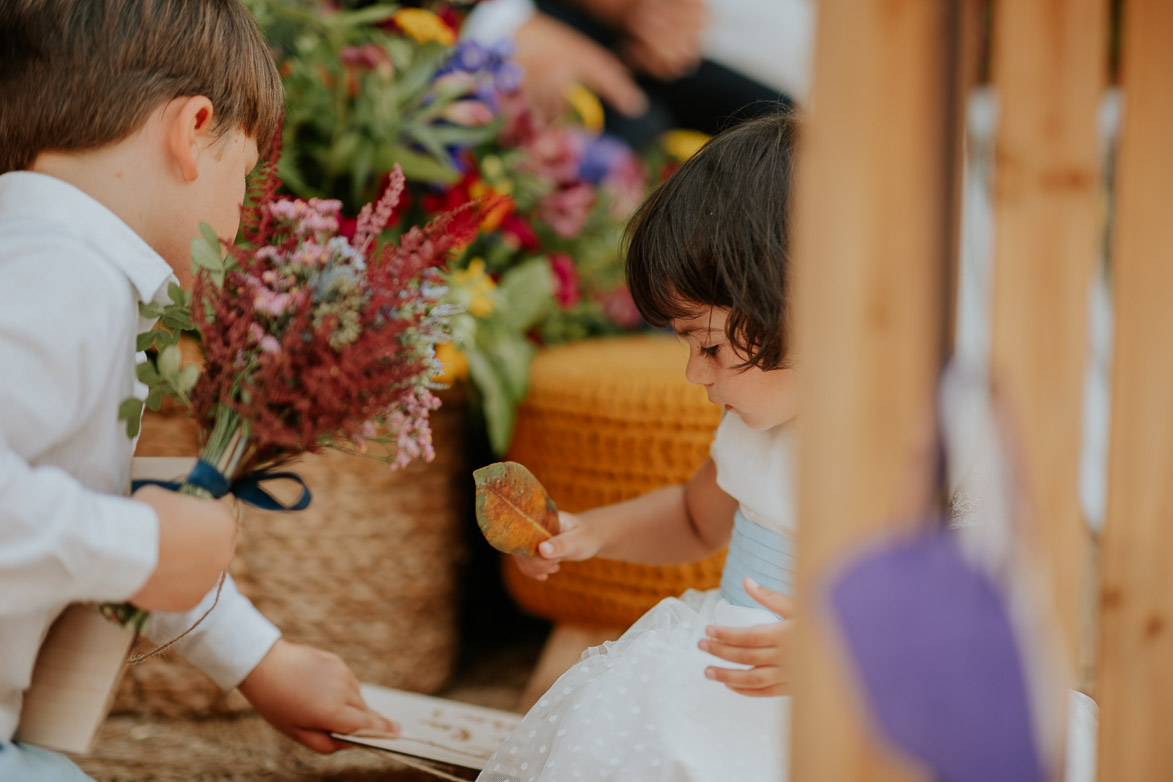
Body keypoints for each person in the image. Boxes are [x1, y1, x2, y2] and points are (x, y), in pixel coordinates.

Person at [0, 2, 394, 778]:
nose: (241, 217)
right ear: (192, 130)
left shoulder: (57, 265)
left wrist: (258, 660)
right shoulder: (61, 279)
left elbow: (66, 500)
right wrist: (141, 545)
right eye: (243, 178)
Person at [478, 111, 798, 781]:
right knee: (633, 720)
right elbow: (692, 518)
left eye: (707, 345)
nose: (692, 373)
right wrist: (589, 532)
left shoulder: (919, 442)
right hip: (725, 663)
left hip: (853, 687)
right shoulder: (754, 432)